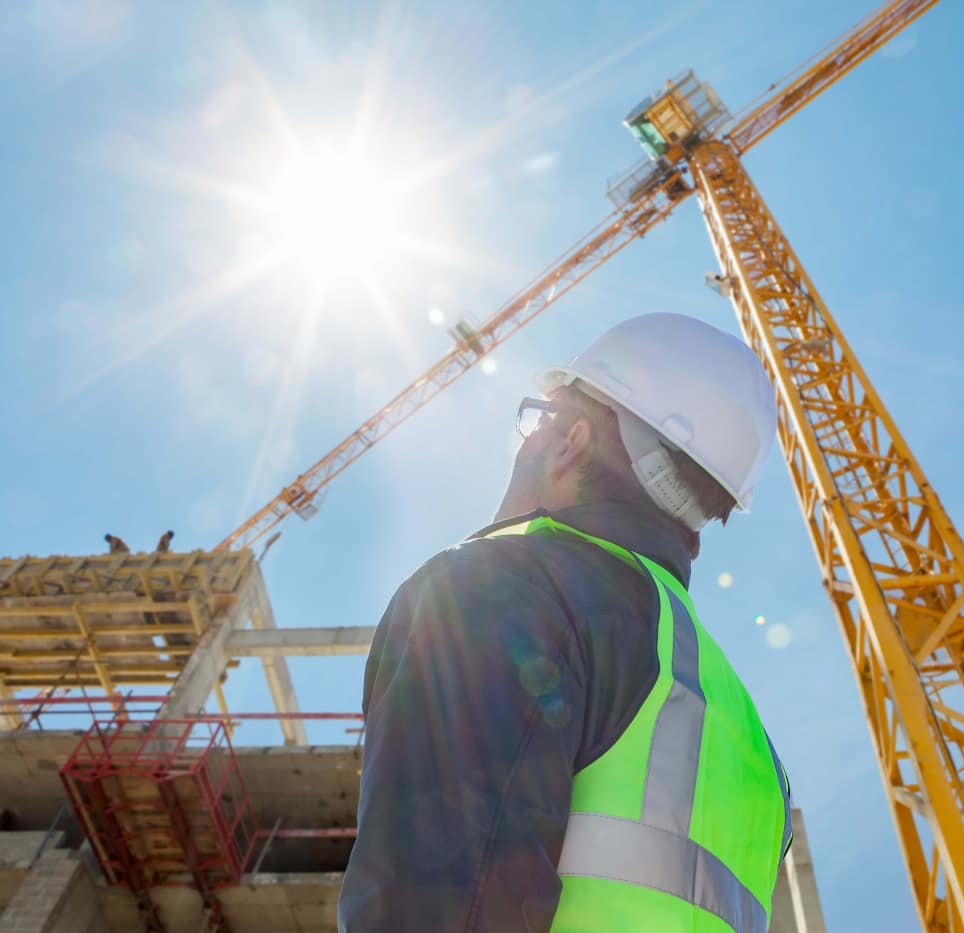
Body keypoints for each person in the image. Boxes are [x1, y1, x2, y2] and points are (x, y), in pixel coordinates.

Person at [339, 313, 792, 932]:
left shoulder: (500, 588)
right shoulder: (753, 745)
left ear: (569, 441)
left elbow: (431, 908)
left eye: (539, 419)